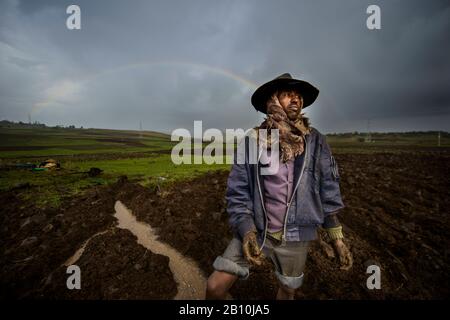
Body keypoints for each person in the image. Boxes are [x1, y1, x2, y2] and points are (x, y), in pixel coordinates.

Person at [205, 73, 353, 300]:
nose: (295, 99)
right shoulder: (253, 141)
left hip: (295, 236)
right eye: (287, 95)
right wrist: (247, 231)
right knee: (215, 287)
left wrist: (337, 239)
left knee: (288, 289)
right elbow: (238, 190)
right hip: (257, 230)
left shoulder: (316, 142)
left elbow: (329, 188)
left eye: (298, 96)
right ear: (273, 100)